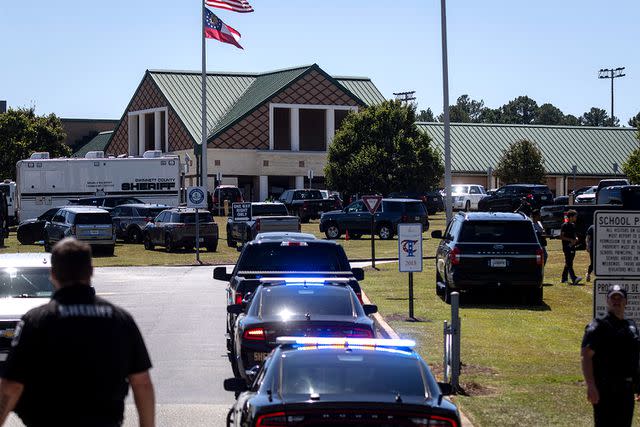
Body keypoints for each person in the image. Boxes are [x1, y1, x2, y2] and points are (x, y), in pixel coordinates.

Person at [0, 238, 155, 427]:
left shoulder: (37, 321)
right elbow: (142, 382)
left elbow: (11, 386)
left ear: (53, 274)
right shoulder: (120, 319)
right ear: (91, 271)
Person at [581, 285, 640, 427]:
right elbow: (586, 356)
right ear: (607, 301)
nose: (616, 301)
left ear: (626, 302)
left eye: (620, 298)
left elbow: (634, 357)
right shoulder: (599, 326)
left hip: (626, 390)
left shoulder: (631, 327)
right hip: (605, 389)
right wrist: (590, 385)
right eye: (613, 297)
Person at [560, 209, 582, 285]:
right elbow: (562, 237)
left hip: (572, 246)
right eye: (575, 216)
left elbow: (574, 234)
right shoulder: (564, 225)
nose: (576, 218)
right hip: (566, 247)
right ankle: (574, 278)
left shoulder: (573, 225)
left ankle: (564, 278)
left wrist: (576, 238)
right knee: (569, 263)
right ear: (571, 217)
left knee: (569, 262)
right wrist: (570, 240)